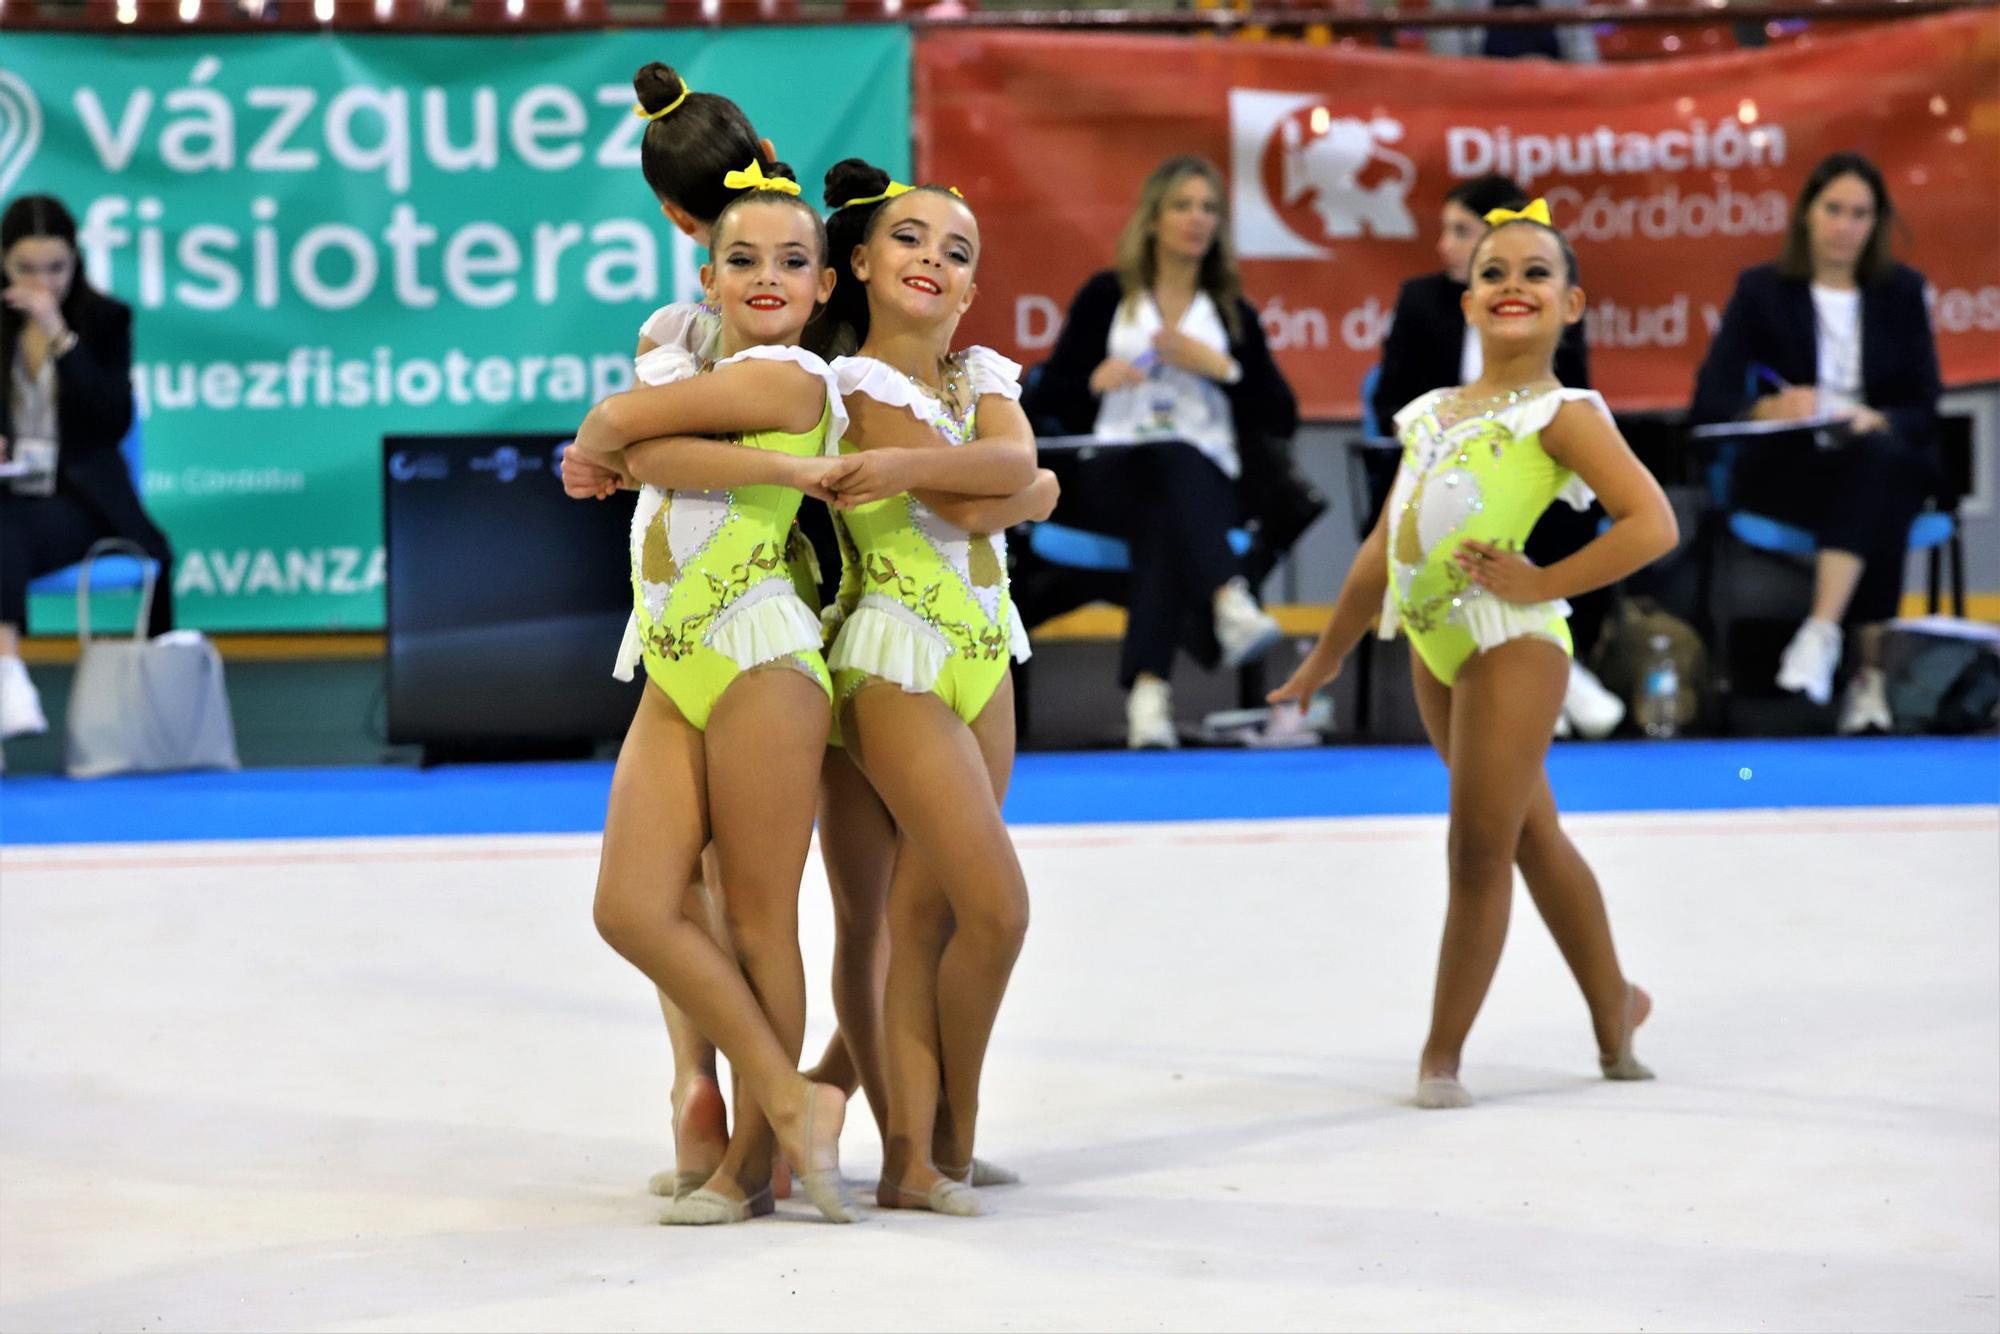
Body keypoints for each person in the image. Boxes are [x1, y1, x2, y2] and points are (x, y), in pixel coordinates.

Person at [1271, 200, 1678, 1109]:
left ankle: (1441, 1057)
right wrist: (1326, 658)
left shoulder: (1563, 414)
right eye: (1493, 272)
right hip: (1435, 646)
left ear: (1572, 305)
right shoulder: (1431, 414)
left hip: (1512, 644)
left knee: (1478, 848)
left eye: (1537, 273)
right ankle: (1615, 1007)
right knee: (1533, 835)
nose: (1512, 287)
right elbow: (1383, 547)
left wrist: (1543, 583)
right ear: (1465, 302)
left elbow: (1654, 523)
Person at [567, 177, 857, 1225]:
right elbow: (629, 442)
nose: (767, 277)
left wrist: (621, 446)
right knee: (631, 905)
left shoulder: (794, 376)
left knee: (756, 917)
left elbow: (615, 429)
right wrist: (626, 446)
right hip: (673, 654)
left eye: (790, 262)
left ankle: (749, 1166)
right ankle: (783, 1095)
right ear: (708, 276)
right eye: (744, 260)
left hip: (759, 651)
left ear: (822, 286)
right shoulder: (692, 362)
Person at [819, 159, 1039, 1214]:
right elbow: (988, 497)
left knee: (934, 916)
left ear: (968, 291)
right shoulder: (852, 386)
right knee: (997, 908)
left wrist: (996, 476)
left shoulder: (981, 372)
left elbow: (1014, 463)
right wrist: (1007, 483)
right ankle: (931, 1132)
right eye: (908, 239)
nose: (931, 260)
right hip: (896, 654)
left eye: (955, 252)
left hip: (986, 650)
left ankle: (930, 1144)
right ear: (858, 262)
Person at [1022, 155, 1298, 750]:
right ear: (1153, 218)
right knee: (1164, 468)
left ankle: (1150, 698)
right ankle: (1228, 598)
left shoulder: (1231, 311)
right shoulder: (1106, 296)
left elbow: (1281, 413)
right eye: (1182, 206)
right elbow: (1051, 389)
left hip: (1210, 483)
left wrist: (1222, 366)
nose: (1197, 219)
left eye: (1208, 208)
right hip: (1108, 473)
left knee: (1166, 512)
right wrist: (1093, 379)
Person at [1689, 151, 1943, 734]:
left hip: (1876, 459)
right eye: (1834, 209)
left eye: (1860, 214)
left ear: (1876, 223)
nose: (1845, 226)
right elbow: (1710, 402)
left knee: (1879, 463)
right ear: (1807, 214)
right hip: (1791, 471)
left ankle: (1823, 630)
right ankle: (1867, 675)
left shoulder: (1902, 293)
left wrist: (1877, 420)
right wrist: (1768, 407)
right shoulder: (1762, 291)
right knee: (1883, 487)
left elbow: (1923, 408)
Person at [1372, 173, 1624, 740]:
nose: (1445, 246)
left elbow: (1564, 398)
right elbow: (1394, 396)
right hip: (1444, 471)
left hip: (1531, 472)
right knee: (1462, 509)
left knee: (1545, 509)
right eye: (1489, 269)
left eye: (1460, 231)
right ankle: (1549, 682)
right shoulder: (1422, 302)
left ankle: (1542, 670)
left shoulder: (1548, 317)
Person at [0, 194, 172, 741]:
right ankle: (5, 679)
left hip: (81, 503)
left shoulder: (104, 320)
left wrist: (59, 336)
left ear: (76, 261)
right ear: (3, 262)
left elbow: (111, 419)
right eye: (26, 268)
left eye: (57, 268)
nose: (43, 281)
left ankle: (6, 680)